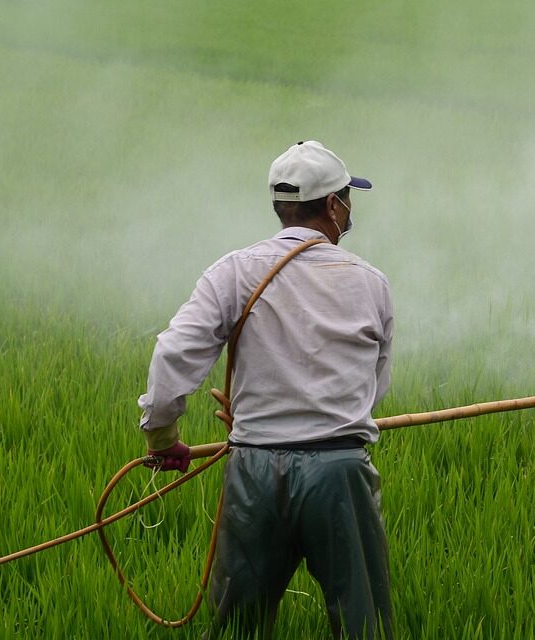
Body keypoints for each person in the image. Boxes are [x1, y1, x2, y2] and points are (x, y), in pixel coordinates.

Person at [136, 140, 395, 639]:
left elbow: (173, 355)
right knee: (364, 625)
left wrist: (162, 440)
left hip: (255, 470)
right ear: (332, 205)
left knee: (240, 627)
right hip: (340, 471)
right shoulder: (371, 283)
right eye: (347, 197)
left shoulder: (233, 270)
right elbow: (372, 392)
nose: (349, 208)